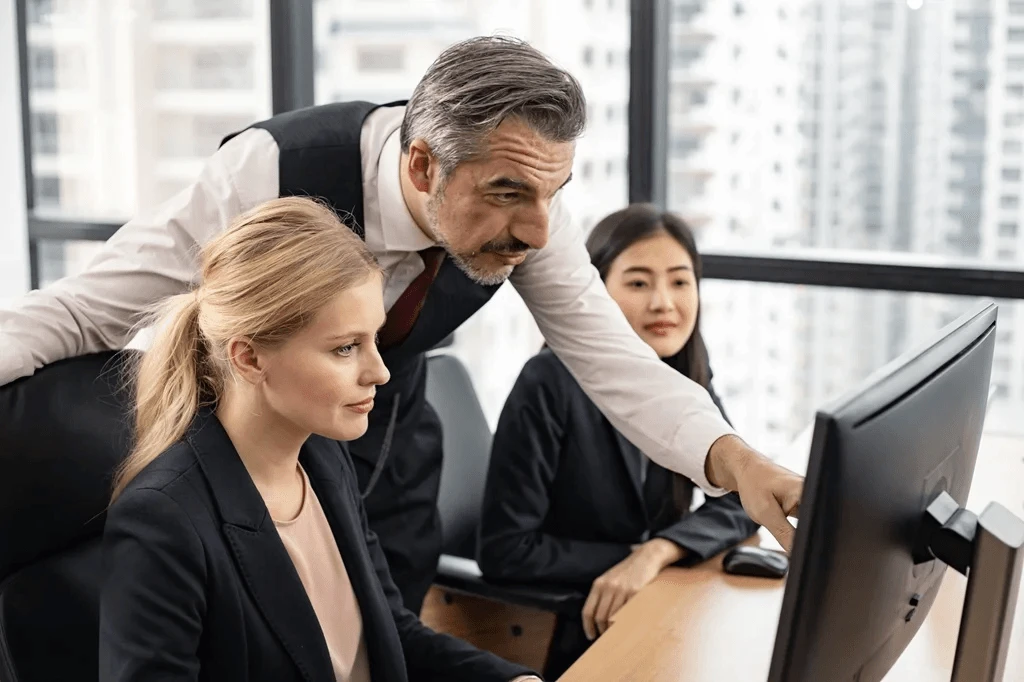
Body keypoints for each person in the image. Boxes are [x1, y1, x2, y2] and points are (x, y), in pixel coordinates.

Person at [0, 36, 801, 614]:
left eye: (553, 193)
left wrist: (733, 459)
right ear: (423, 166)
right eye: (509, 194)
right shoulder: (271, 173)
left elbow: (614, 362)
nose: (536, 229)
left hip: (394, 446)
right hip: (253, 457)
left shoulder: (528, 202)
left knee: (386, 637)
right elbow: (86, 308)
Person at [99, 197, 540, 682]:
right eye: (346, 347)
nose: (380, 371)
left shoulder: (323, 457)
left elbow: (388, 632)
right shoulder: (164, 520)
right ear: (249, 358)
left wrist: (512, 679)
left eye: (375, 339)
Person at [477, 205, 759, 676]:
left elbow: (738, 497)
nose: (664, 303)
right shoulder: (549, 382)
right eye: (638, 283)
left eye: (680, 281)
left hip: (658, 604)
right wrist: (628, 559)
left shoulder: (685, 374)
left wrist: (658, 552)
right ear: (596, 296)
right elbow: (506, 550)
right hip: (577, 623)